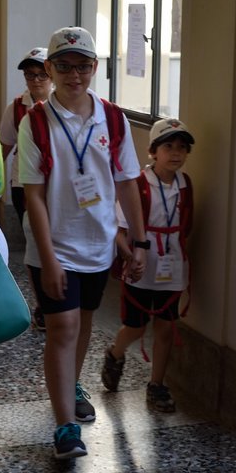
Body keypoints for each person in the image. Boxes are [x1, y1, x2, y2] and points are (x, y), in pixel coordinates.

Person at [18, 26, 145, 460]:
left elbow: (127, 183)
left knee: (85, 322)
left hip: (98, 244)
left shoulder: (112, 118)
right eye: (65, 66)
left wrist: (136, 239)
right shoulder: (35, 121)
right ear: (50, 69)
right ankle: (65, 427)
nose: (75, 75)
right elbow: (33, 195)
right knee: (62, 328)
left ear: (95, 68)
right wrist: (49, 257)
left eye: (83, 66)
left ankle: (70, 385)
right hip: (54, 247)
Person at [100, 117, 195, 414]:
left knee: (166, 327)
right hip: (141, 264)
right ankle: (115, 354)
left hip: (171, 265)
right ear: (153, 151)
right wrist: (128, 255)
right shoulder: (139, 184)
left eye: (182, 148)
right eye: (169, 146)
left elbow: (187, 225)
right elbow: (119, 227)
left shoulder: (185, 184)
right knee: (136, 327)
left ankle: (156, 384)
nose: (176, 153)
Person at [2, 47, 53, 330]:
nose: (35, 81)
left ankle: (54, 295)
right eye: (29, 75)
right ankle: (42, 304)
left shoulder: (62, 106)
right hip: (23, 183)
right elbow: (3, 149)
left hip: (54, 185)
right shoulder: (17, 107)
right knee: (34, 242)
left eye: (41, 75)